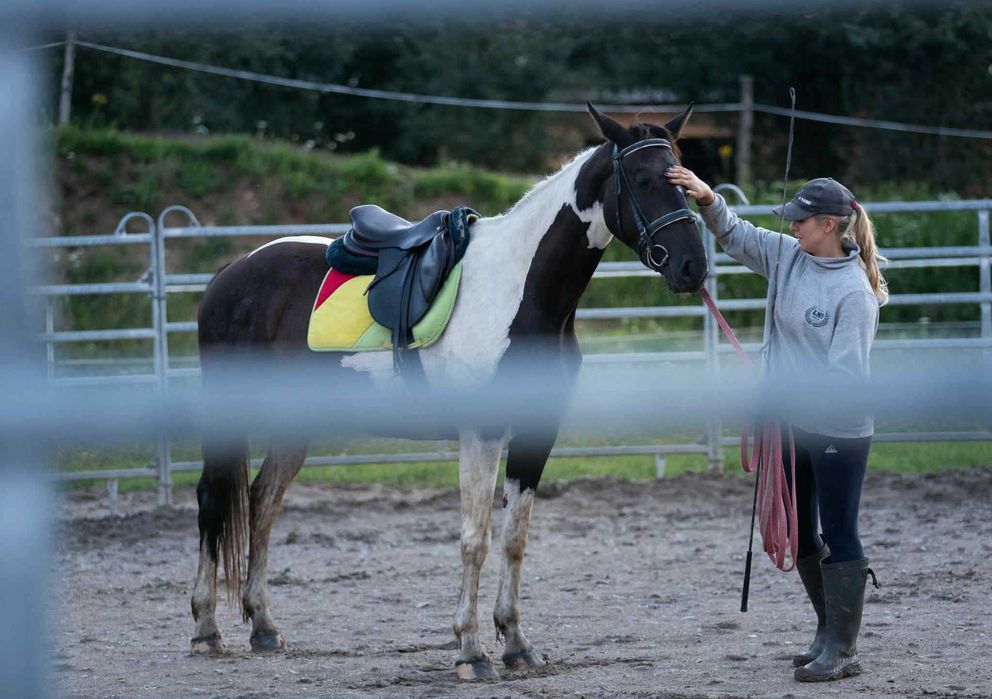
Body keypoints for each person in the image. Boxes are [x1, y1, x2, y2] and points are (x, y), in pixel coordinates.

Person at [666, 167, 887, 682]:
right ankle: (825, 631)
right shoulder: (791, 256)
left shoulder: (854, 296)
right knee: (802, 534)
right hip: (791, 425)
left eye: (801, 220)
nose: (791, 226)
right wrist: (706, 199)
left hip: (838, 430)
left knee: (839, 530)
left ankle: (844, 648)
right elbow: (736, 234)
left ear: (830, 225)